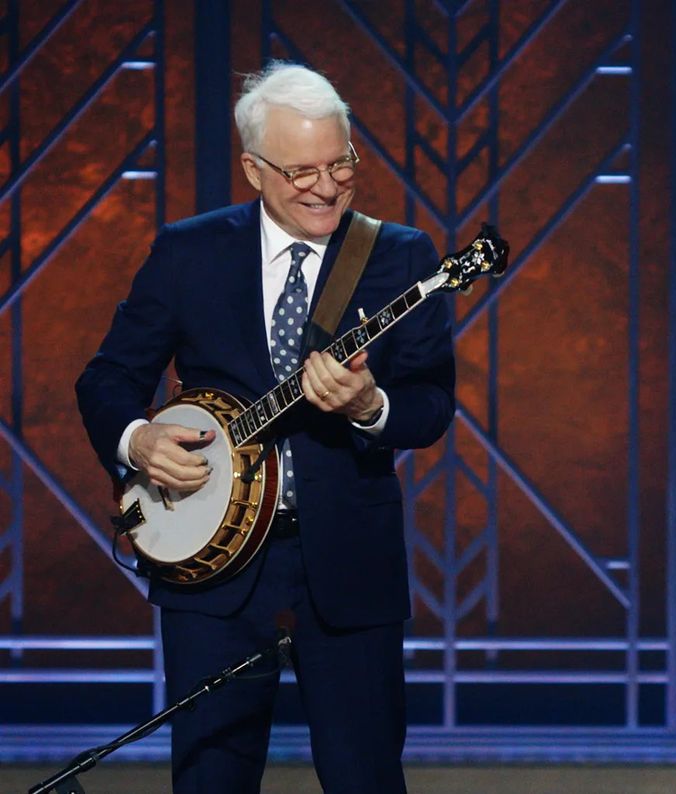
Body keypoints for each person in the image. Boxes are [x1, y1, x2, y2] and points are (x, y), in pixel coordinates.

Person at [75, 62, 453, 793]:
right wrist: (137, 441)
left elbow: (432, 405)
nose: (326, 186)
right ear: (252, 168)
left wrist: (369, 406)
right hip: (209, 569)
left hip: (347, 561)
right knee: (211, 778)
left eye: (341, 163)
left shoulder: (402, 257)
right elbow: (108, 379)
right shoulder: (188, 252)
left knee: (366, 777)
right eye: (300, 170)